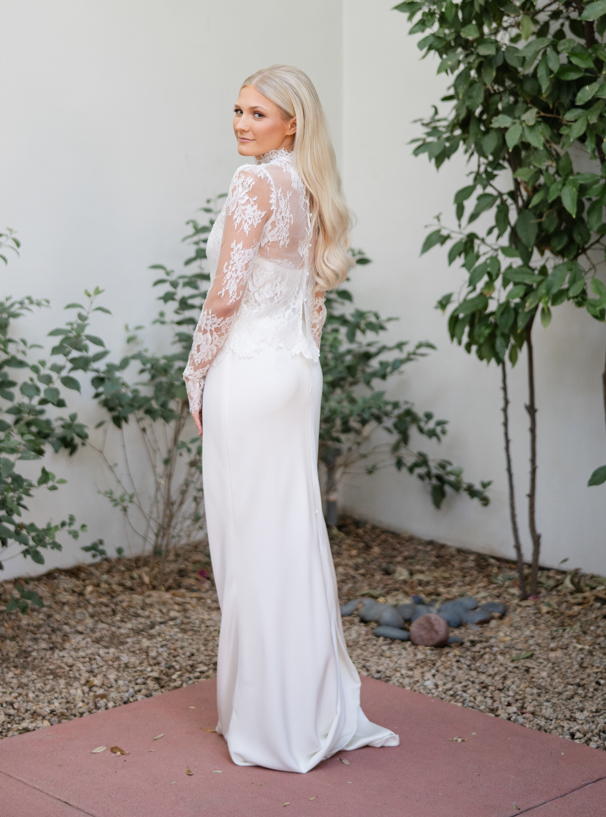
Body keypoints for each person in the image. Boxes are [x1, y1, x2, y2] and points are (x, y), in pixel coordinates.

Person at [183, 64, 398, 774]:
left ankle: (271, 719)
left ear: (292, 121)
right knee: (291, 535)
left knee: (251, 543)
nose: (242, 124)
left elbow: (224, 294)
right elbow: (312, 300)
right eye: (238, 110)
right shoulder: (308, 185)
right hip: (295, 371)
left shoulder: (255, 184)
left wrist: (195, 371)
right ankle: (301, 706)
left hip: (249, 370)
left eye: (258, 114)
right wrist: (298, 360)